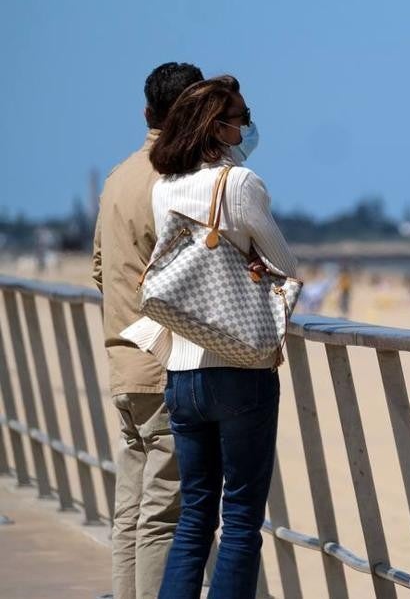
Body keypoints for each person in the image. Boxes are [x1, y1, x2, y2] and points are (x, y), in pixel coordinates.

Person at [125, 75, 297, 599]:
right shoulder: (240, 183)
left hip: (182, 368)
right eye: (241, 117)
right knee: (242, 518)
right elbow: (284, 264)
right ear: (216, 127)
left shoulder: (166, 186)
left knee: (195, 514)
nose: (247, 125)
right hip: (239, 369)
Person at [92, 61, 203, 599]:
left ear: (146, 113)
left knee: (131, 512)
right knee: (165, 514)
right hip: (165, 367)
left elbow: (99, 268)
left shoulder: (118, 176)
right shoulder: (178, 184)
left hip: (123, 362)